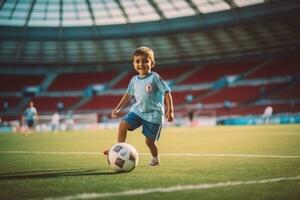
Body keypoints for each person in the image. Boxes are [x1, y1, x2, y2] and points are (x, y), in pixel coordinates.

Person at [103, 46, 174, 166]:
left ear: (152, 63)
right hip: (138, 111)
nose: (141, 64)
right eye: (137, 61)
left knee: (149, 142)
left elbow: (167, 92)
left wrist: (170, 110)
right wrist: (118, 108)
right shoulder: (134, 80)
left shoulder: (155, 77)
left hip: (154, 115)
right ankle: (118, 150)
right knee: (123, 124)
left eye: (145, 61)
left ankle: (155, 159)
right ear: (133, 64)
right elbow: (128, 94)